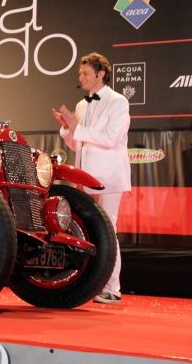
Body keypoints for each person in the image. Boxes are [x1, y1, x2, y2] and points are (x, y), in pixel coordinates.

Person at [51, 52, 131, 304]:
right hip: (85, 176)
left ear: (101, 73)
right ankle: (92, 285)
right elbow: (79, 145)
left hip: (109, 177)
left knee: (108, 229)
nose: (81, 77)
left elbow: (110, 139)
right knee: (88, 232)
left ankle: (112, 288)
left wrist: (78, 127)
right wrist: (67, 127)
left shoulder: (118, 102)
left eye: (85, 73)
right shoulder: (82, 104)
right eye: (79, 73)